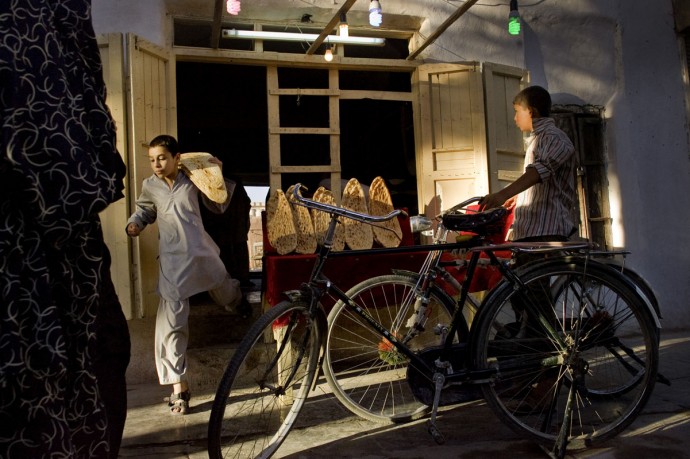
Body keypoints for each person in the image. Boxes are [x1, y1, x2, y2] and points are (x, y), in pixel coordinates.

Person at [0, 1, 130, 457]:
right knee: (65, 383)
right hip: (38, 255)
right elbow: (46, 140)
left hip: (51, 229)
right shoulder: (27, 16)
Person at [126, 135, 242, 415]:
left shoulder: (192, 178)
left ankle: (238, 304)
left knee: (224, 288)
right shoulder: (150, 186)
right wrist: (135, 223)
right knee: (172, 324)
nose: (156, 164)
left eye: (162, 158)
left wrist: (215, 174)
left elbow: (219, 205)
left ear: (177, 157)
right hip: (173, 261)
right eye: (152, 159)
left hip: (201, 253)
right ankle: (179, 387)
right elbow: (145, 210)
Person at [479, 85, 576, 409]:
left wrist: (502, 194)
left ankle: (546, 383)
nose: (515, 118)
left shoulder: (555, 139)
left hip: (547, 232)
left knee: (536, 307)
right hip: (530, 232)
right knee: (523, 302)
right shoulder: (537, 140)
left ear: (531, 111)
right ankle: (527, 374)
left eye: (517, 111)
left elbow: (538, 174)